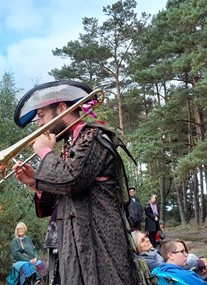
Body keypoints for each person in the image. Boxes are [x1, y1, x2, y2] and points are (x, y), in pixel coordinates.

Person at [12, 80, 139, 285]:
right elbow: (66, 197)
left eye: (41, 115)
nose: (39, 124)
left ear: (62, 108)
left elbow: (71, 181)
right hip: (77, 244)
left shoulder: (93, 137)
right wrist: (34, 182)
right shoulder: (71, 145)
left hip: (102, 245)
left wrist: (45, 152)